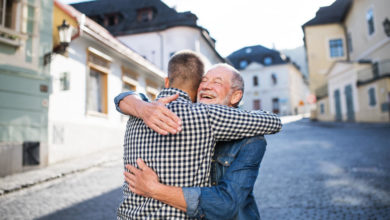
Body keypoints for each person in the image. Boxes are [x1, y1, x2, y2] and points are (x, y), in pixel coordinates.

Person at [115, 50, 281, 219]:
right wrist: (140, 107)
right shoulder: (186, 113)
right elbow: (125, 98)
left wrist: (155, 189)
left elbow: (226, 205)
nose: (206, 86)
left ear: (236, 96)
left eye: (217, 81)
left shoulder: (251, 139)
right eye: (203, 81)